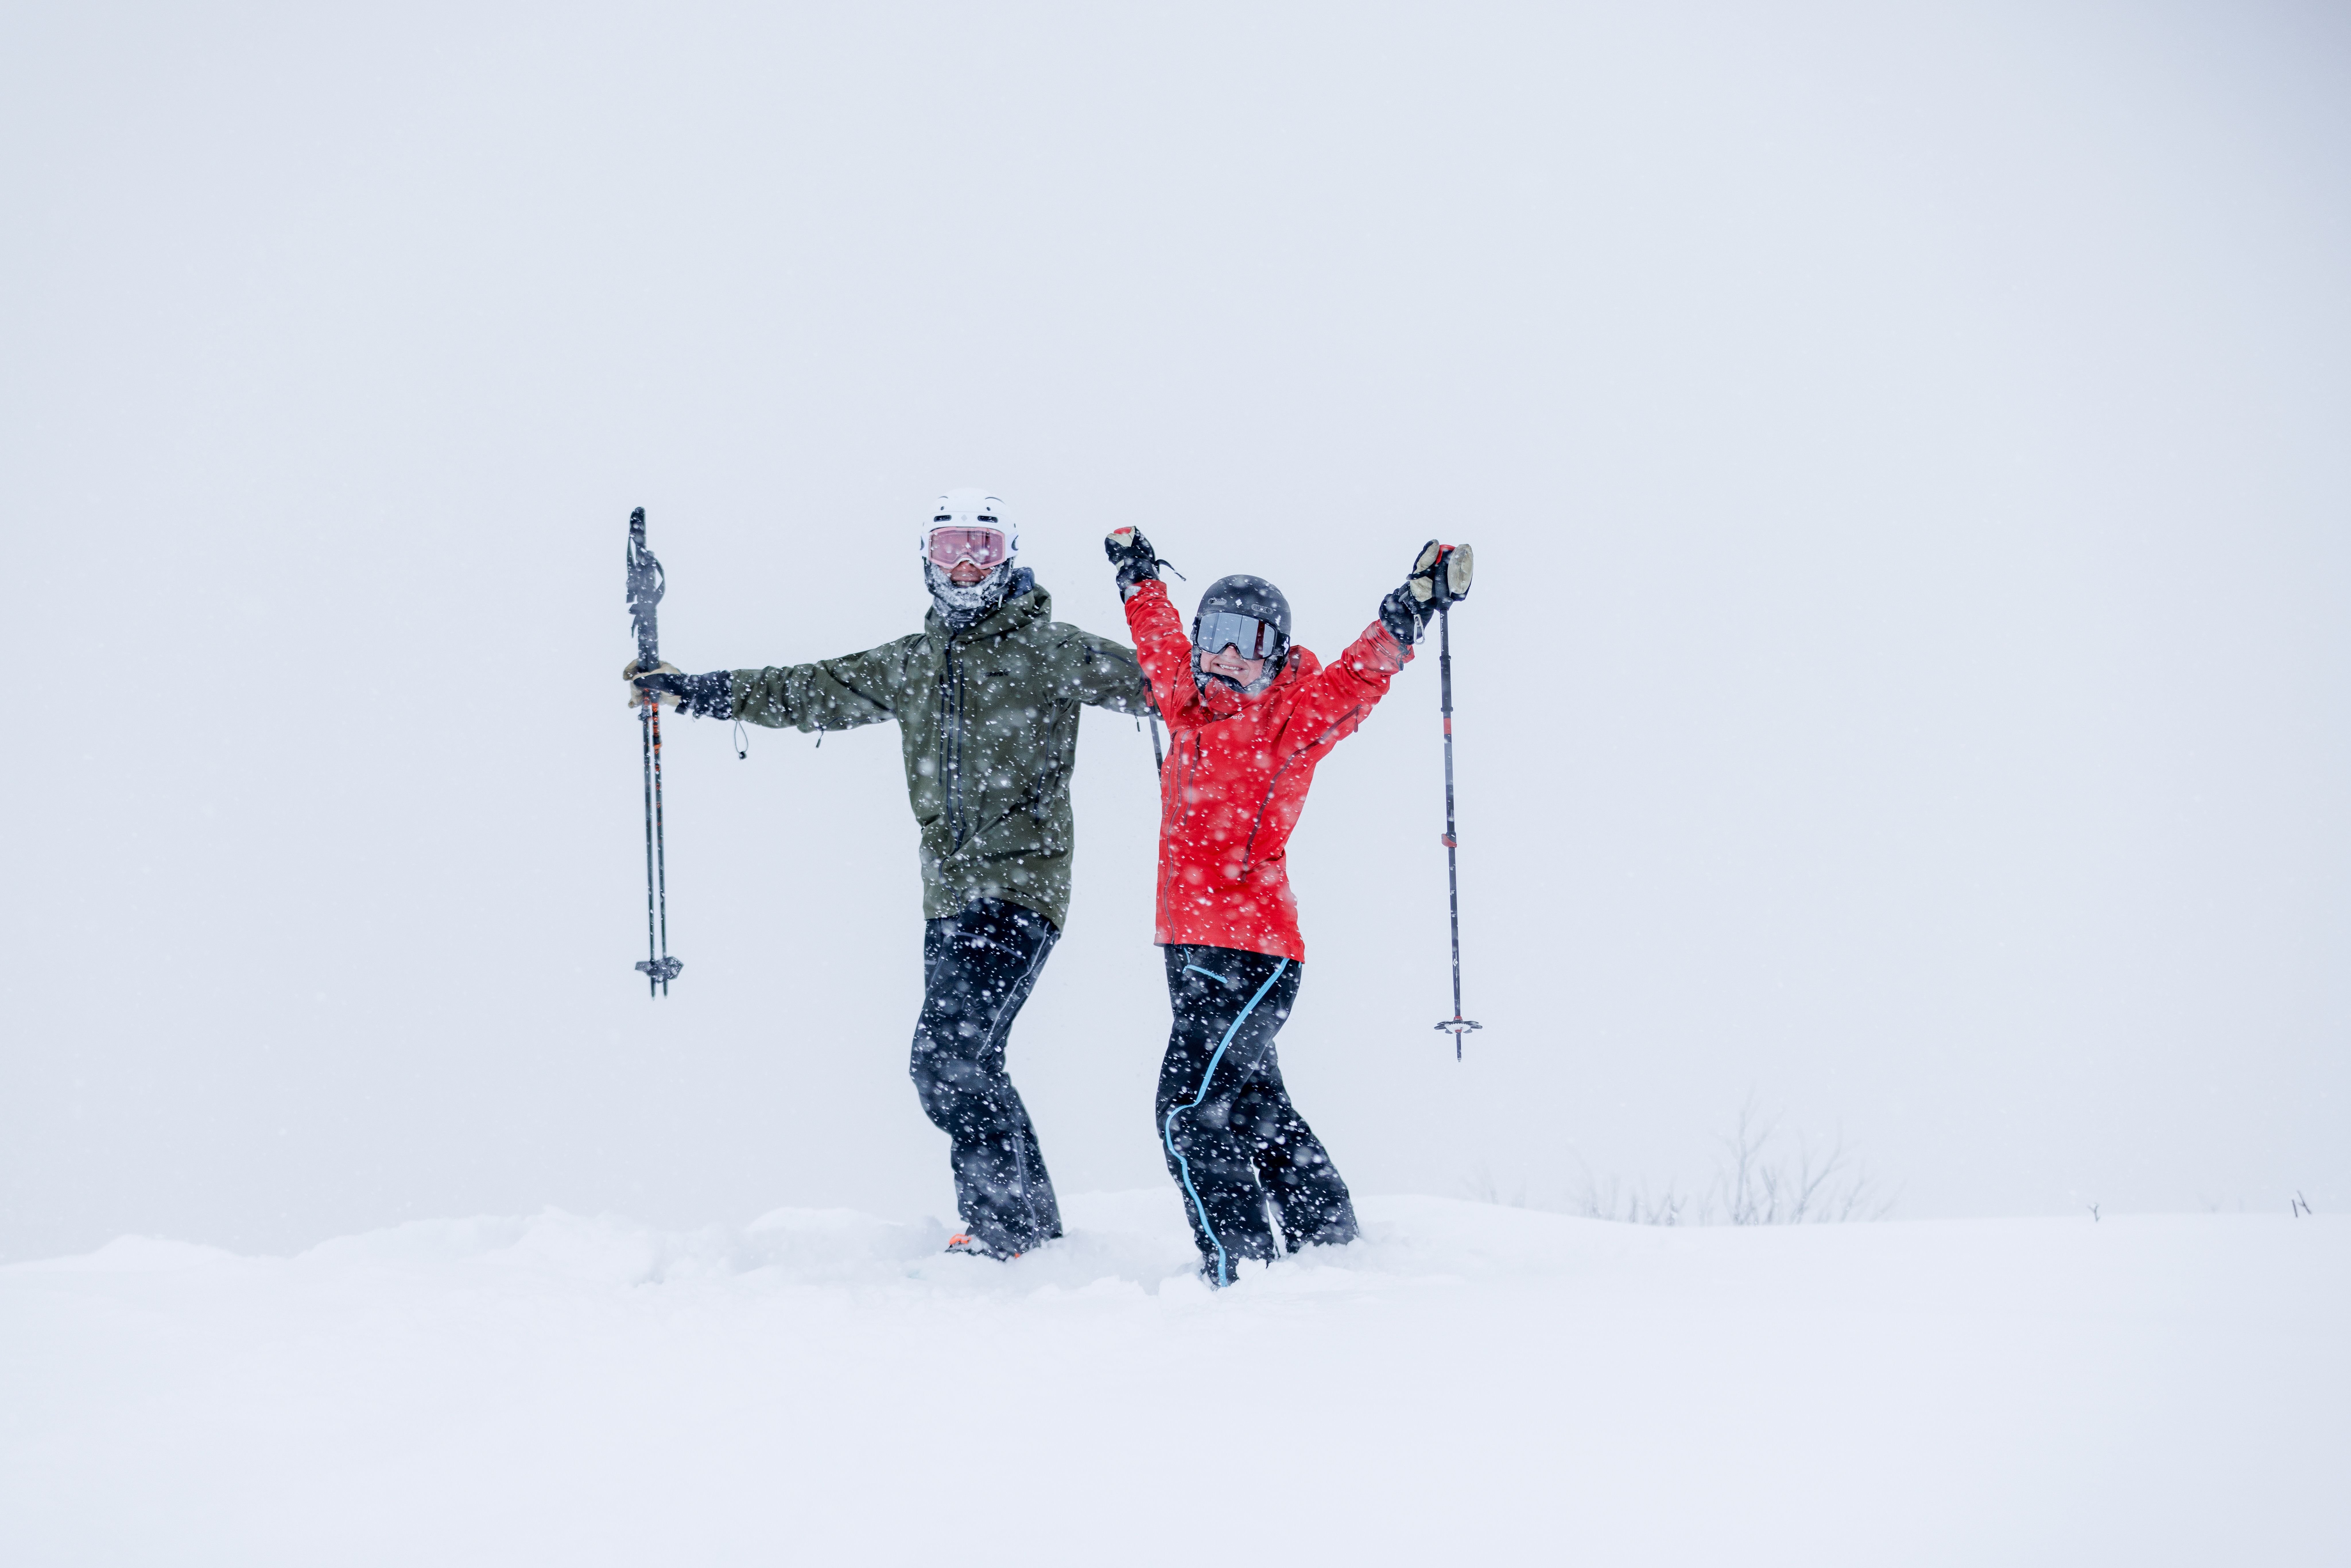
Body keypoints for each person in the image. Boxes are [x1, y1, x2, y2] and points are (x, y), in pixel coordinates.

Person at [630, 491, 1154, 1260]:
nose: (967, 563)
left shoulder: (1048, 650)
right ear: (928, 560)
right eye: (950, 548)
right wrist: (700, 691)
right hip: (948, 898)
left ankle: (1009, 1231)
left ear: (1008, 555)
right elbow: (806, 689)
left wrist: (1230, 678)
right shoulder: (915, 663)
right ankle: (1029, 1230)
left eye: (982, 545)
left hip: (1020, 888)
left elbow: (1166, 687)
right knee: (965, 1062)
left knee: (947, 1062)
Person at [1104, 528, 1473, 1286]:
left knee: (1187, 1110)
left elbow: (1360, 675)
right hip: (1187, 950)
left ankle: (1240, 1268)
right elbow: (1158, 637)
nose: (1227, 656)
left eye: (1248, 641)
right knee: (1252, 1106)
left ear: (1274, 653)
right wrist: (1139, 576)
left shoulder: (1289, 718)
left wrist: (1413, 605)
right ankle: (1329, 1240)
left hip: (1255, 958)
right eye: (1216, 636)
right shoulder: (1183, 701)